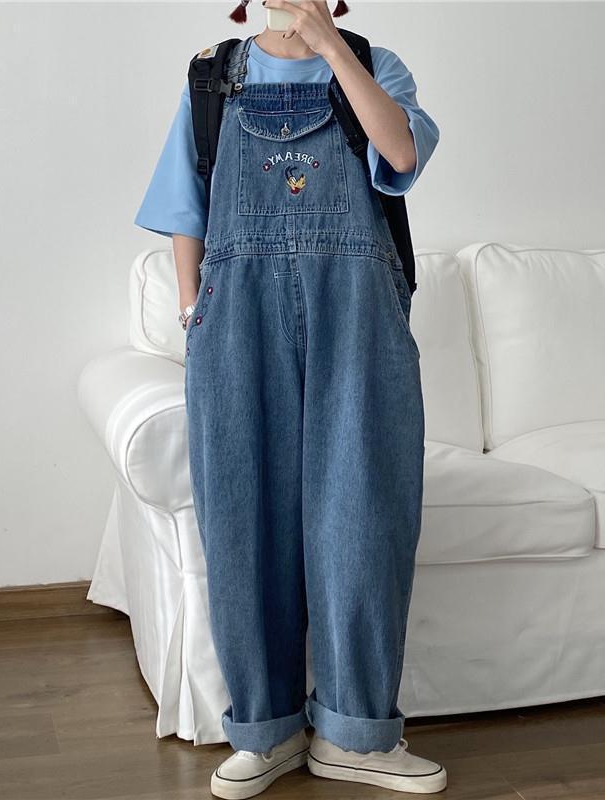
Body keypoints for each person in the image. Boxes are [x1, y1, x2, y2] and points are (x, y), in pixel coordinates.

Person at [135, 1, 444, 796]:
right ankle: (264, 731)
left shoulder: (373, 63)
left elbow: (401, 152)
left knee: (363, 516)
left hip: (358, 319)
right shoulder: (212, 77)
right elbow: (185, 204)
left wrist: (329, 46)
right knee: (245, 518)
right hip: (235, 321)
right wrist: (191, 308)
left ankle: (356, 735)